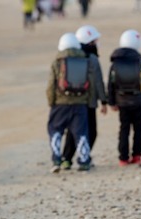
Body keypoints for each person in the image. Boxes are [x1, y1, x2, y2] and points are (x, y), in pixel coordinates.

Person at [46, 33, 95, 173]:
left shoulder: (57, 62)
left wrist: (52, 102)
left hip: (60, 104)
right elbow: (90, 85)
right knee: (81, 133)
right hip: (80, 104)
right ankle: (84, 161)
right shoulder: (86, 61)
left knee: (55, 130)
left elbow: (51, 85)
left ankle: (56, 159)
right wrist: (88, 102)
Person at [61, 25, 108, 170]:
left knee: (72, 131)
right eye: (95, 40)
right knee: (91, 132)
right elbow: (98, 81)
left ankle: (66, 159)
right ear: (89, 41)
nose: (97, 43)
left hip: (72, 101)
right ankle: (84, 157)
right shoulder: (92, 58)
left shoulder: (70, 57)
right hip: (89, 102)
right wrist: (104, 101)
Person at [107, 29, 141, 166]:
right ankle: (137, 156)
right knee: (139, 130)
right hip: (139, 102)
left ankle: (123, 158)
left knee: (124, 129)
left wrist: (111, 102)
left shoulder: (115, 63)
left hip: (122, 102)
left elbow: (111, 84)